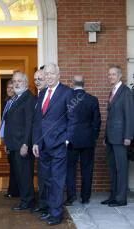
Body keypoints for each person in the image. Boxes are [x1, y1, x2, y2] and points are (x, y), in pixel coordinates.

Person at [32, 63, 75, 226]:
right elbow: (38, 121)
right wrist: (36, 142)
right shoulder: (42, 93)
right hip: (43, 145)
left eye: (51, 74)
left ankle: (56, 214)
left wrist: (66, 139)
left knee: (57, 180)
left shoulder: (67, 93)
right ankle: (50, 210)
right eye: (46, 74)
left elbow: (73, 119)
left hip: (58, 145)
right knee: (47, 180)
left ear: (58, 75)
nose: (48, 77)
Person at [65, 75, 101, 205]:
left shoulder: (68, 99)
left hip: (71, 139)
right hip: (88, 140)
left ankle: (71, 196)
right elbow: (97, 122)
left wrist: (66, 137)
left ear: (72, 84)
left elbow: (65, 121)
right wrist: (94, 137)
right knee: (87, 169)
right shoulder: (92, 100)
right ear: (84, 84)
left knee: (70, 169)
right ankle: (85, 198)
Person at [101, 65, 134, 207]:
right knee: (113, 168)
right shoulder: (113, 91)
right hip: (111, 138)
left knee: (121, 168)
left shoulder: (125, 91)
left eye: (113, 74)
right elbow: (110, 117)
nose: (111, 77)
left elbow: (130, 115)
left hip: (121, 138)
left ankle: (121, 199)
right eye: (109, 74)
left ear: (120, 76)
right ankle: (113, 196)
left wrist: (128, 136)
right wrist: (105, 137)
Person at [4, 71, 37, 211]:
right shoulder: (16, 98)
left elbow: (30, 123)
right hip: (14, 144)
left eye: (19, 81)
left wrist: (25, 143)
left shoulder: (29, 98)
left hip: (22, 144)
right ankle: (25, 200)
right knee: (20, 174)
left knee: (25, 175)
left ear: (26, 83)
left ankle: (27, 202)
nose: (16, 84)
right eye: (14, 81)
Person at [31, 68, 48, 214]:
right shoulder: (39, 96)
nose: (37, 81)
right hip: (39, 143)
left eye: (40, 78)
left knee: (48, 177)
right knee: (42, 176)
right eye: (35, 79)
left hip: (49, 143)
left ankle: (48, 206)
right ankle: (43, 205)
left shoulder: (48, 95)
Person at [0, 79, 19, 198]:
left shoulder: (16, 102)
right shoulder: (8, 102)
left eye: (12, 88)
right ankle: (12, 190)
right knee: (12, 165)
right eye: (8, 88)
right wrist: (4, 139)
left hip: (14, 139)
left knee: (16, 166)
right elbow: (5, 122)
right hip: (8, 138)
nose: (10, 90)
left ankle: (15, 190)